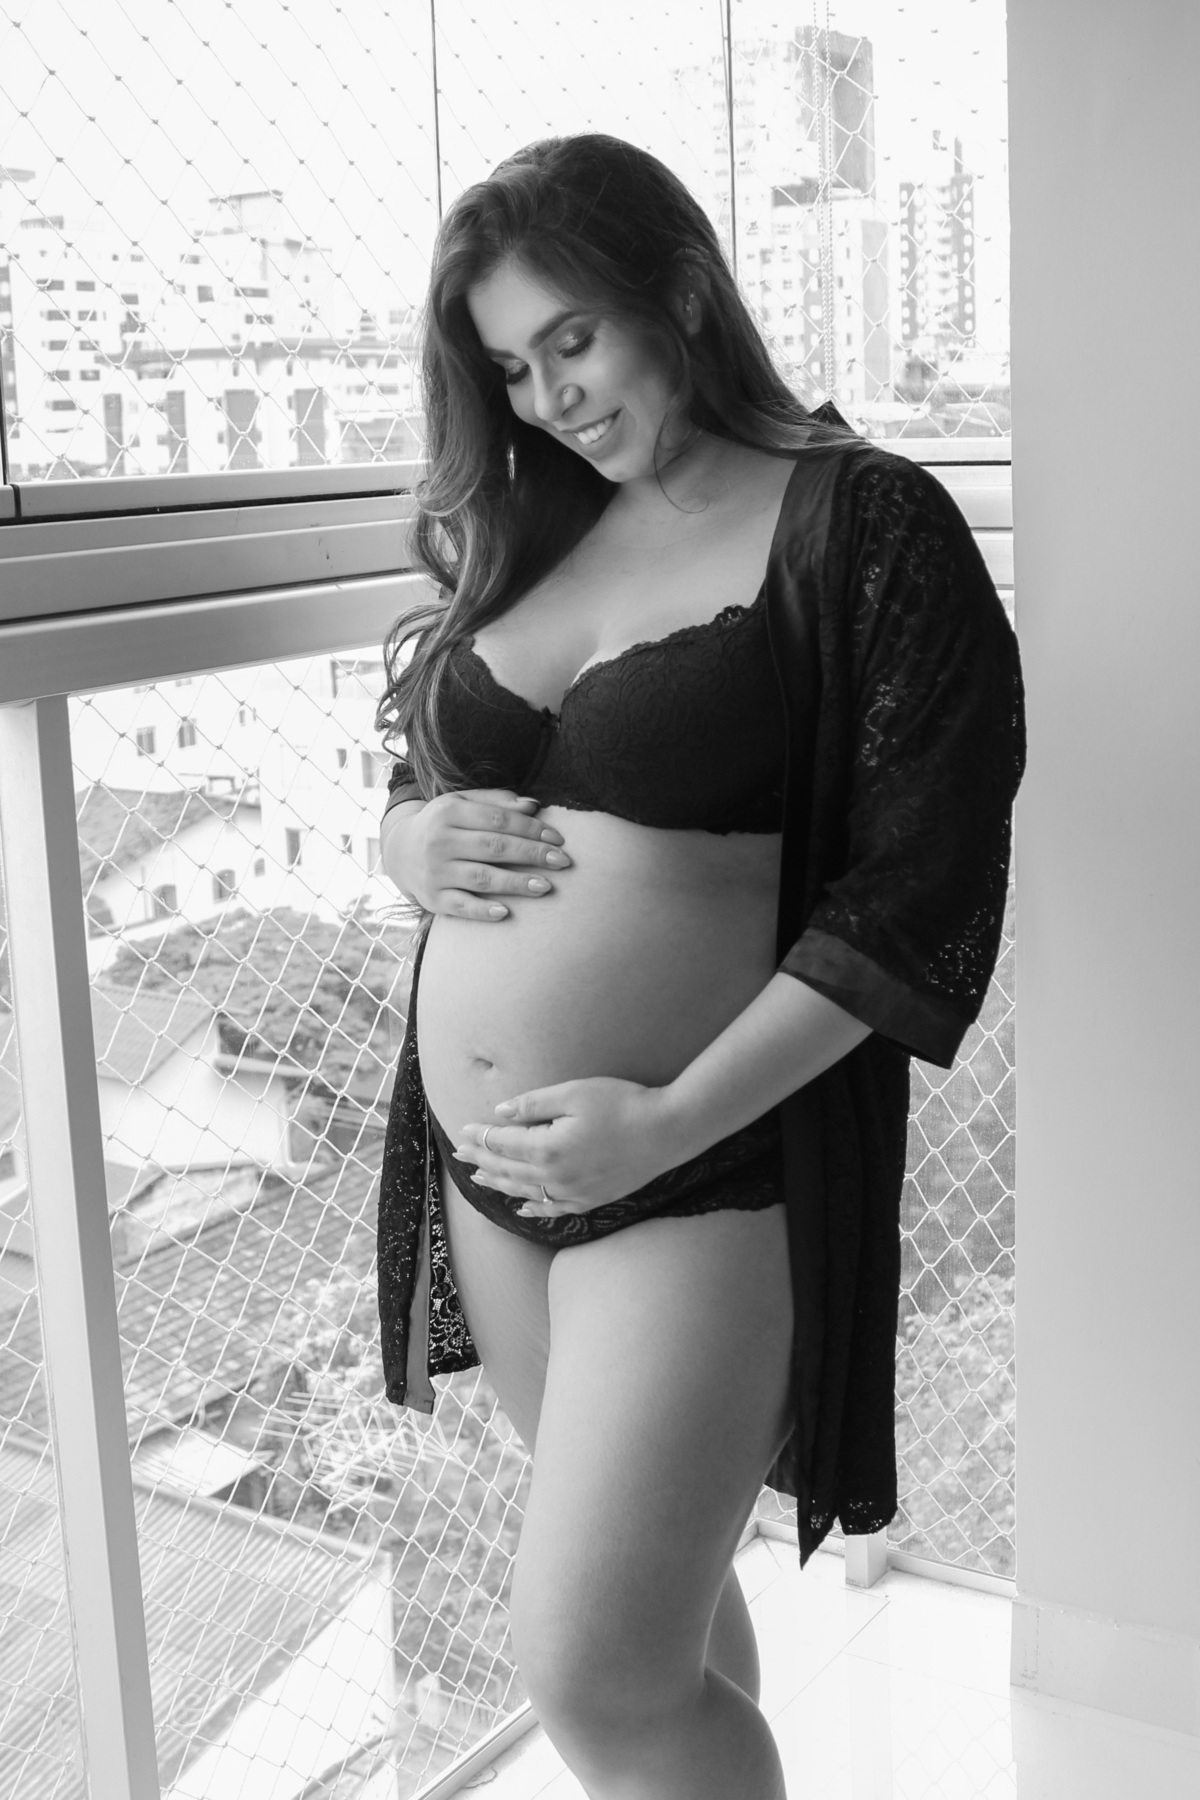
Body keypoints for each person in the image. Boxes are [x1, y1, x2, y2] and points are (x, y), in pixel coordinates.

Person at [374, 133, 1024, 1800]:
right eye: (509, 369)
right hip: (493, 1175)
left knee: (594, 1673)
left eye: (571, 340)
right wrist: (407, 841)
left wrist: (663, 1124)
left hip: (702, 1164)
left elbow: (918, 887)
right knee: (661, 1632)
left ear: (676, 287)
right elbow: (417, 768)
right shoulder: (540, 525)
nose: (548, 398)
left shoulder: (861, 518)